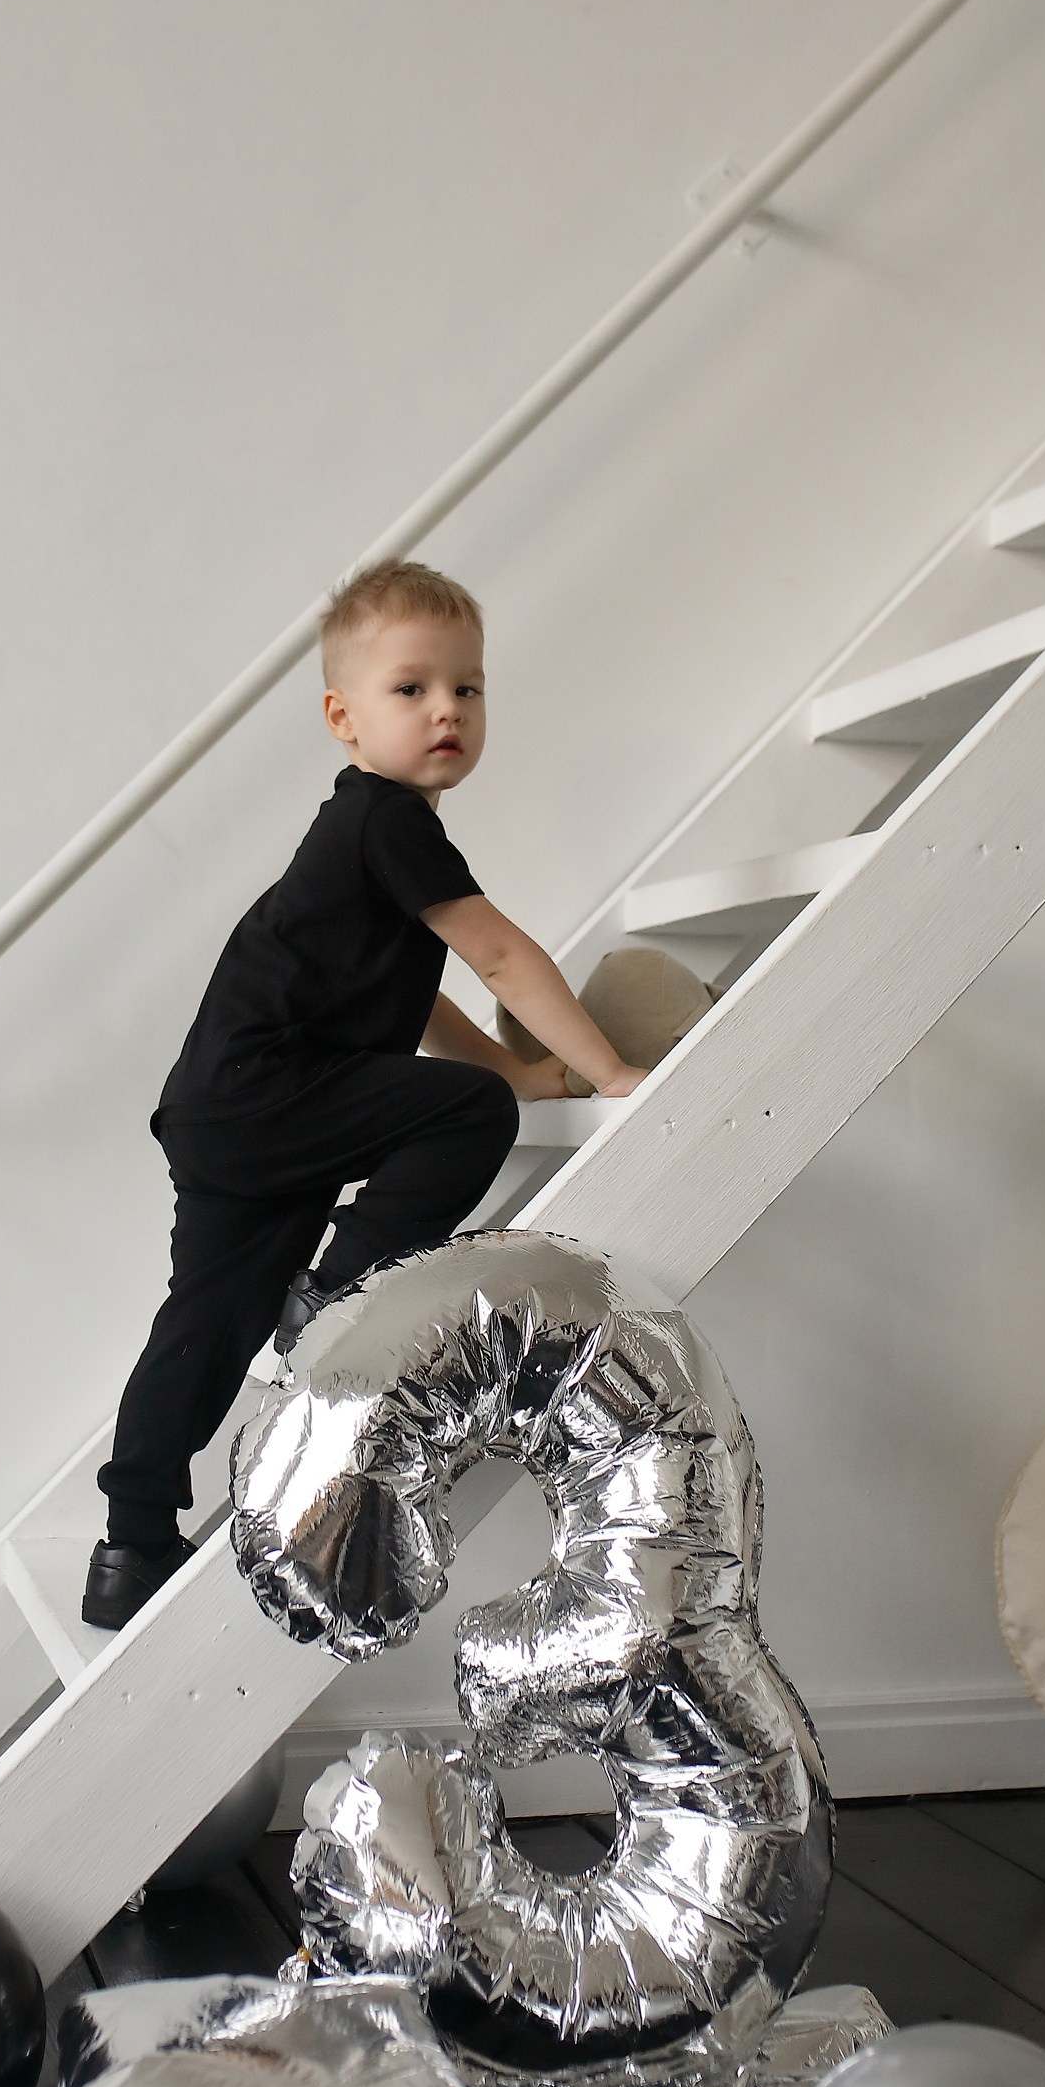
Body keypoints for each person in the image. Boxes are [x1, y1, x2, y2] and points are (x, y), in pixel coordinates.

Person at [81, 558, 647, 1629]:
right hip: (269, 1090)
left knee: (204, 1325)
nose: (446, 710)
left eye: (466, 688)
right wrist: (610, 1071)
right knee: (465, 1115)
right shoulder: (386, 821)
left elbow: (418, 999)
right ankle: (340, 1291)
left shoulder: (368, 842)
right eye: (411, 688)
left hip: (224, 1108)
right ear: (343, 719)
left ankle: (130, 1541)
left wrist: (519, 1070)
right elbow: (496, 955)